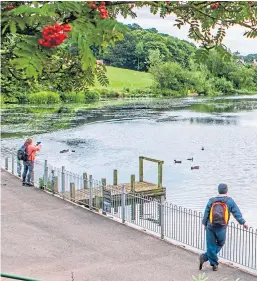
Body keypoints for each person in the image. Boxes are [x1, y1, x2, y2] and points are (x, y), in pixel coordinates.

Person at [199, 183, 248, 271]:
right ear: (226, 190)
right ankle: (211, 262)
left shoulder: (211, 200)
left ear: (218, 190)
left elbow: (206, 213)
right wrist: (243, 222)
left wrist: (205, 224)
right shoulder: (229, 201)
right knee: (220, 243)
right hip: (221, 227)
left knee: (210, 245)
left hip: (210, 226)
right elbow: (236, 213)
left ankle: (206, 258)